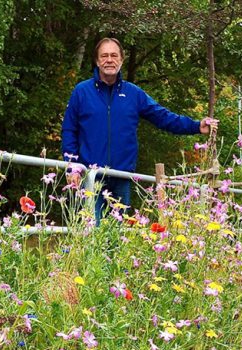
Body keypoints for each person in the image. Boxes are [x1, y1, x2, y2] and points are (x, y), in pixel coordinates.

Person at [62, 37, 217, 222]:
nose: (109, 60)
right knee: (89, 232)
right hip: (90, 177)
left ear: (121, 59)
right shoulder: (82, 91)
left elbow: (163, 117)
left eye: (114, 55)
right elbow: (69, 130)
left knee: (116, 236)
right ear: (97, 60)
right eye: (104, 56)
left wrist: (195, 126)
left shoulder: (133, 94)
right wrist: (72, 167)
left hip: (121, 177)